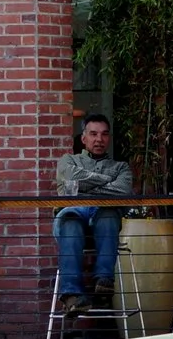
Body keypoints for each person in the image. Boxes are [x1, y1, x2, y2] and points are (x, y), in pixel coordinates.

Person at [54, 114, 134, 316]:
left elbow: (123, 191)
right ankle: (71, 295)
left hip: (104, 217)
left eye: (104, 134)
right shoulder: (68, 160)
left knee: (108, 214)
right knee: (70, 222)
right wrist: (107, 182)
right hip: (73, 214)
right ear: (83, 138)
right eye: (93, 134)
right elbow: (71, 176)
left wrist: (84, 188)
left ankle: (104, 281)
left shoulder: (121, 167)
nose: (99, 139)